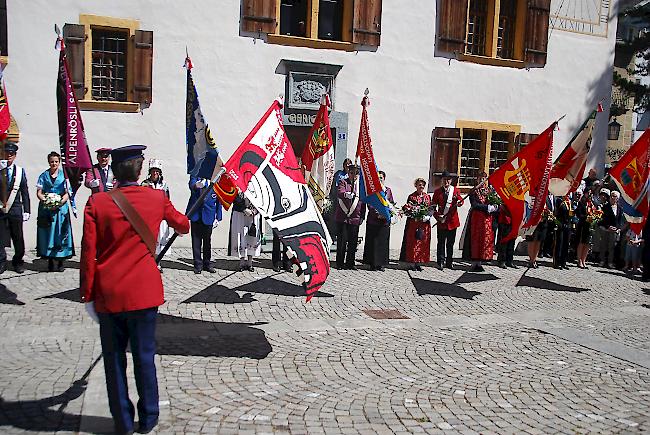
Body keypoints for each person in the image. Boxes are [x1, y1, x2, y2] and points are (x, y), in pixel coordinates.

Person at [80, 145, 190, 435]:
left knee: (114, 361)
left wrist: (86, 294)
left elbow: (88, 252)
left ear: (114, 171)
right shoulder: (156, 198)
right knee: (144, 356)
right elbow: (183, 225)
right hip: (143, 292)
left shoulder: (98, 203)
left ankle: (124, 422)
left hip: (109, 293)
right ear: (140, 170)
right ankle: (149, 417)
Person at [36, 151, 74, 272]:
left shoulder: (64, 176)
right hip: (46, 209)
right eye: (52, 161)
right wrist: (47, 201)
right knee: (48, 233)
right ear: (49, 162)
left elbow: (68, 192)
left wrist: (59, 202)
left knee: (60, 234)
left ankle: (61, 261)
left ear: (59, 162)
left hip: (61, 209)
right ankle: (51, 260)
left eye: (56, 161)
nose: (54, 164)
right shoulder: (43, 175)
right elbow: (39, 192)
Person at [0, 142, 30, 274]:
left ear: (15, 155)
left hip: (15, 208)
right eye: (7, 153)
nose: (9, 155)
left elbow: (24, 191)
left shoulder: (20, 171)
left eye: (11, 154)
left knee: (18, 237)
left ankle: (18, 261)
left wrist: (27, 210)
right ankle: (1, 261)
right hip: (0, 208)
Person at [462, 172, 497, 272]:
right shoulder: (473, 191)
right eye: (481, 179)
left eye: (484, 179)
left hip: (486, 219)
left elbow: (494, 201)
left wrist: (494, 206)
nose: (482, 181)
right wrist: (487, 207)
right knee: (475, 239)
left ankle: (480, 262)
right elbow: (474, 204)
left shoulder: (489, 191)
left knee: (484, 239)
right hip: (476, 219)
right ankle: (474, 262)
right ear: (477, 179)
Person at [187, 175, 221, 274]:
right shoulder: (196, 175)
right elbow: (191, 185)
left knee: (207, 241)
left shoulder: (215, 179)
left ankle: (207, 263)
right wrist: (197, 185)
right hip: (196, 215)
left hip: (208, 215)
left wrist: (218, 217)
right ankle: (198, 264)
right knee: (196, 241)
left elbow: (218, 200)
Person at [362, 170, 394, 271]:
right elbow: (370, 203)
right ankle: (372, 263)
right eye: (378, 178)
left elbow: (391, 203)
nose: (380, 179)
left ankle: (381, 264)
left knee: (382, 243)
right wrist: (377, 214)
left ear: (384, 179)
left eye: (381, 178)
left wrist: (387, 214)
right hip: (373, 220)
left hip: (384, 222)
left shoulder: (388, 190)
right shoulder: (373, 190)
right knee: (373, 242)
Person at [335, 164, 366, 270]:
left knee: (353, 242)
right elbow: (340, 192)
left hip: (355, 218)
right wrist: (346, 195)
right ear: (348, 173)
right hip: (343, 217)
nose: (354, 175)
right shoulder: (343, 182)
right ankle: (339, 262)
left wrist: (362, 215)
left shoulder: (360, 186)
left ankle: (350, 263)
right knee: (342, 242)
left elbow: (363, 202)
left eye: (356, 173)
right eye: (352, 173)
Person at [432, 171, 464, 270]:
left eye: (448, 180)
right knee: (441, 242)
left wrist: (459, 202)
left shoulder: (455, 191)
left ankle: (449, 262)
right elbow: (432, 207)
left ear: (451, 181)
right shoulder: (437, 192)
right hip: (442, 221)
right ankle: (440, 261)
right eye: (444, 179)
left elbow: (461, 201)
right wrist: (437, 216)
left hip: (452, 221)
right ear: (442, 180)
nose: (446, 181)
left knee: (450, 243)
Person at [400, 177, 431, 271]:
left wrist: (428, 216)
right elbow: (408, 208)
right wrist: (414, 214)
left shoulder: (427, 196)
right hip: (414, 224)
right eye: (419, 185)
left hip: (424, 224)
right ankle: (412, 262)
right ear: (416, 186)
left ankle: (419, 262)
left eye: (422, 185)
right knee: (413, 243)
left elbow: (431, 208)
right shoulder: (412, 196)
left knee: (422, 243)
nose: (421, 186)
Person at [229, 191, 262, 271]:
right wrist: (244, 209)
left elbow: (261, 197)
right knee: (240, 236)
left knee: (252, 237)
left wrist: (256, 210)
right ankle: (242, 262)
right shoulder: (237, 181)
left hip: (254, 214)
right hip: (240, 213)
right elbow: (234, 195)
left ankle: (250, 262)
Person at [598, 190, 624, 269]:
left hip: (614, 230)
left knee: (612, 247)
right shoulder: (605, 207)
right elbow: (602, 219)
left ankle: (610, 262)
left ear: (618, 198)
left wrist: (617, 228)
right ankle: (602, 260)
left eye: (614, 196)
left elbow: (619, 220)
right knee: (603, 245)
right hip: (606, 228)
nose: (612, 198)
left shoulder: (619, 208)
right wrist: (608, 226)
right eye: (611, 196)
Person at [574, 189, 595, 269]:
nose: (590, 195)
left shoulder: (592, 204)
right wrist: (587, 217)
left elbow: (595, 212)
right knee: (582, 242)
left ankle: (583, 260)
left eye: (591, 194)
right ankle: (579, 260)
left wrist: (595, 217)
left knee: (587, 244)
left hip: (590, 226)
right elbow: (579, 214)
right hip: (583, 225)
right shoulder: (581, 203)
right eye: (588, 193)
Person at [553, 195, 573, 269]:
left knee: (566, 244)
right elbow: (556, 213)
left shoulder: (569, 202)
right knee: (559, 243)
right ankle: (557, 262)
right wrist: (557, 223)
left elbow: (571, 214)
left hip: (568, 225)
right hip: (560, 224)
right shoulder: (559, 201)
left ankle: (563, 262)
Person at [496, 204, 516, 268]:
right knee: (504, 241)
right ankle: (501, 260)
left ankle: (509, 260)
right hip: (505, 219)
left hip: (514, 219)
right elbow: (502, 205)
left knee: (512, 241)